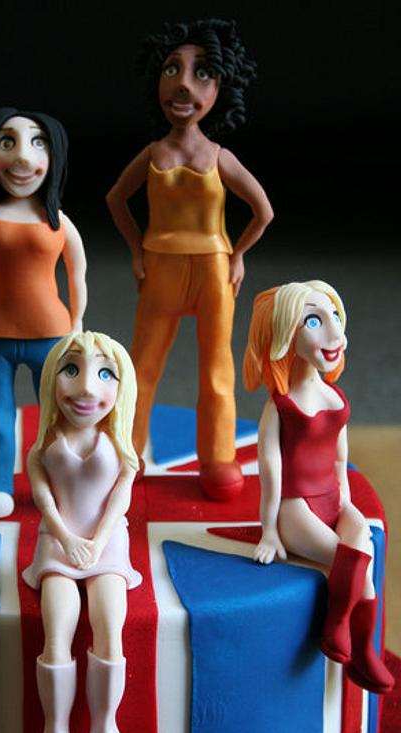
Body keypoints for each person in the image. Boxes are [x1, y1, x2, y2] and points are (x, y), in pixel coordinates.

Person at [106, 18, 273, 500]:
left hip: (213, 270)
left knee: (217, 367)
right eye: (171, 70)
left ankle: (218, 458)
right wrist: (136, 249)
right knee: (142, 365)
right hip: (160, 267)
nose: (183, 85)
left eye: (201, 73)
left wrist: (237, 255)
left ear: (221, 87)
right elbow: (116, 200)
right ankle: (127, 452)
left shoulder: (220, 157)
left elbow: (263, 211)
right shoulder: (152, 153)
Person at [243, 280, 394, 694]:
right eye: (313, 320)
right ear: (285, 334)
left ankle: (356, 644)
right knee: (355, 560)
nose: (334, 333)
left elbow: (340, 459)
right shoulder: (280, 407)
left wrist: (346, 504)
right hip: (297, 508)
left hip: (333, 500)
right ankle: (343, 632)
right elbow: (270, 470)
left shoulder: (335, 396)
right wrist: (270, 530)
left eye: (334, 317)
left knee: (362, 546)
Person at [0, 107, 87, 518]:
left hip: (52, 334)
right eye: (7, 142)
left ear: (54, 155)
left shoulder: (59, 222)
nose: (22, 157)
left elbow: (78, 274)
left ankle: (63, 481)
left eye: (37, 142)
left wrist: (77, 324)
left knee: (60, 412)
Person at [23, 331, 141, 733]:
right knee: (58, 627)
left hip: (106, 546)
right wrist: (67, 539)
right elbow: (44, 502)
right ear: (51, 380)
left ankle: (104, 727)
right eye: (71, 370)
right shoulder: (42, 448)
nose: (87, 387)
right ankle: (55, 730)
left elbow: (119, 503)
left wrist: (97, 542)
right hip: (57, 543)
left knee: (110, 626)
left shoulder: (120, 447)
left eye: (105, 373)